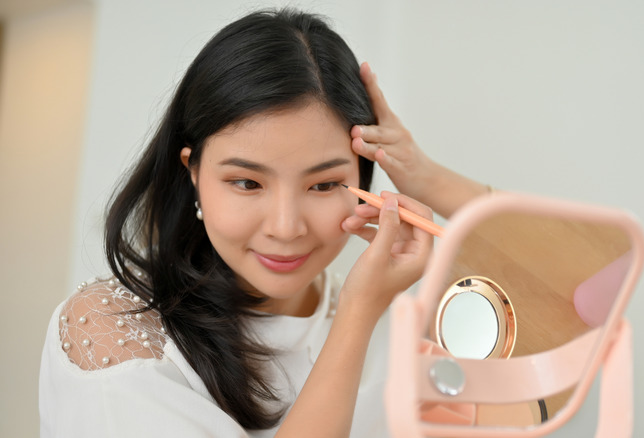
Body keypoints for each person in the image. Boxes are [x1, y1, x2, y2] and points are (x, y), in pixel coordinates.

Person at [39, 8, 491, 437]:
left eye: (323, 185)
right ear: (193, 172)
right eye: (247, 183)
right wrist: (358, 316)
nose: (286, 227)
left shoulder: (400, 328)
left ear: (363, 183)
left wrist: (429, 180)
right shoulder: (113, 332)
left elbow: (546, 278)